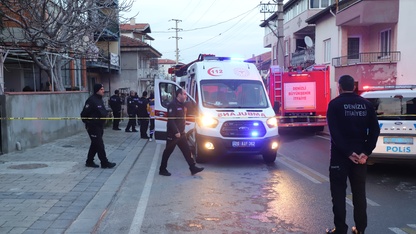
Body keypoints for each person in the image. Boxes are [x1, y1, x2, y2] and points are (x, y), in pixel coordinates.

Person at [326, 75, 380, 234]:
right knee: (359, 194)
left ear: (339, 87)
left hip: (339, 157)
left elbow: (335, 133)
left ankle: (340, 229)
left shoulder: (334, 105)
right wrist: (366, 152)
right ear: (354, 87)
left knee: (338, 194)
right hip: (360, 159)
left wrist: (348, 153)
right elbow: (375, 130)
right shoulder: (366, 105)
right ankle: (360, 229)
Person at [159, 88, 204, 176]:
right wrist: (176, 131)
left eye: (185, 94)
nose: (185, 96)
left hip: (181, 133)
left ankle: (192, 168)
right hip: (173, 134)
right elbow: (171, 120)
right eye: (184, 94)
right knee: (168, 151)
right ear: (179, 95)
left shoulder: (183, 105)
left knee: (187, 151)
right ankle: (162, 169)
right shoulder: (173, 105)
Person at [80, 84, 116, 169]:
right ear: (97, 90)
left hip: (100, 126)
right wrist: (89, 122)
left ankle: (89, 161)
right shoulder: (91, 100)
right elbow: (83, 114)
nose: (103, 90)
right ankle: (104, 162)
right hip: (93, 126)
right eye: (101, 89)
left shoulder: (100, 100)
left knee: (95, 144)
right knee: (99, 144)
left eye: (103, 89)